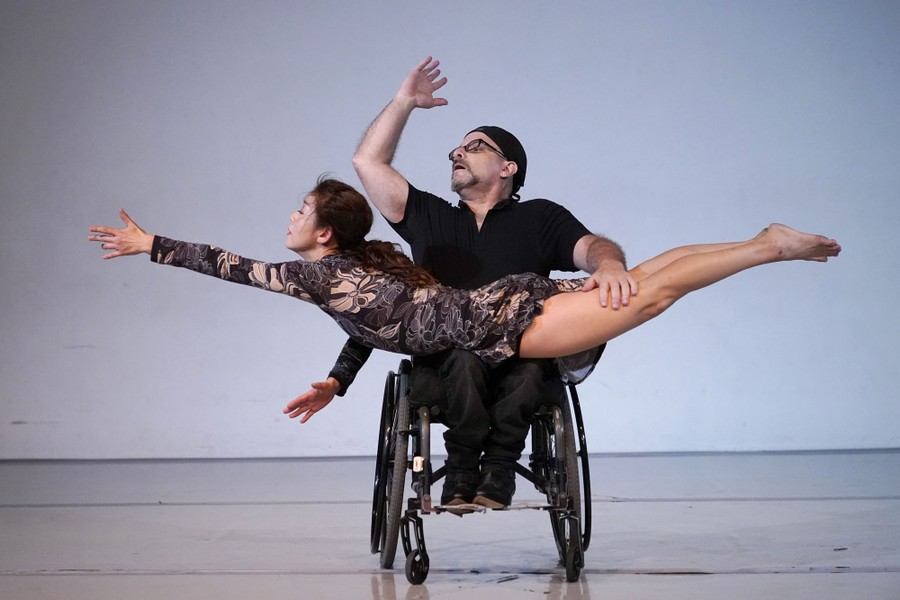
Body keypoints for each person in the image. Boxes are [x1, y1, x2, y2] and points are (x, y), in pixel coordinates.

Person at [88, 178, 841, 456]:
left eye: (298, 212)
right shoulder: (364, 269)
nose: (287, 219)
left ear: (323, 233)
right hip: (502, 306)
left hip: (499, 325)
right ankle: (760, 241)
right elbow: (371, 333)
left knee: (647, 294)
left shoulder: (318, 276)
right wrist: (334, 383)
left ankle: (767, 248)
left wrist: (151, 243)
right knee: (647, 285)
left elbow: (225, 263)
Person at [297, 57, 638, 511]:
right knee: (463, 358)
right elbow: (367, 161)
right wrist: (403, 103)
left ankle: (498, 472)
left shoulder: (540, 217)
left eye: (474, 146)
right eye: (455, 149)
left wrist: (610, 265)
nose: (457, 153)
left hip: (523, 353)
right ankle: (460, 472)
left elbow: (593, 248)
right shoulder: (430, 218)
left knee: (530, 368)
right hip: (445, 361)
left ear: (507, 167)